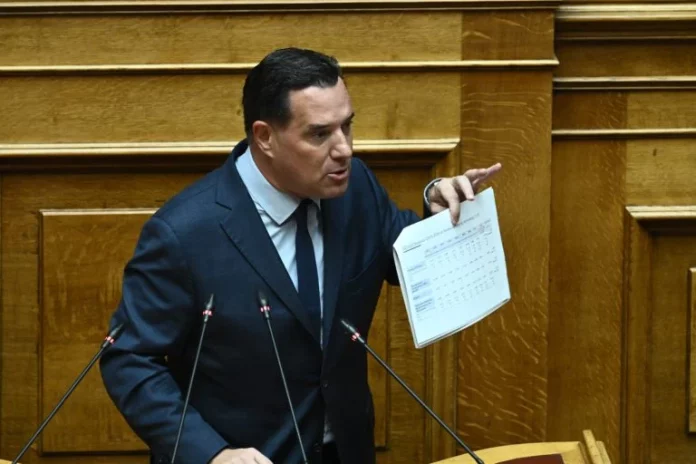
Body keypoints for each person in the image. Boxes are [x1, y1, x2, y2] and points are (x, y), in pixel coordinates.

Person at [100, 47, 501, 464]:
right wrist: (212, 453)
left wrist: (442, 209)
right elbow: (129, 359)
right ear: (265, 137)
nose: (344, 149)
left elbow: (402, 256)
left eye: (347, 126)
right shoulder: (183, 234)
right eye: (320, 134)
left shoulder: (355, 189)